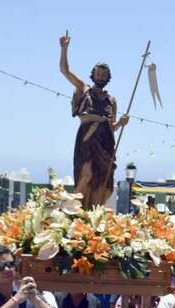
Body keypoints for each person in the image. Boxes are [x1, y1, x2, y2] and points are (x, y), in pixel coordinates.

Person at [59, 32, 130, 209]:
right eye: (98, 74)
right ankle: (79, 209)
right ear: (93, 75)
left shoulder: (111, 100)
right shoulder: (84, 89)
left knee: (102, 181)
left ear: (107, 78)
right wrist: (64, 48)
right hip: (87, 139)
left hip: (105, 143)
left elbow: (111, 127)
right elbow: (65, 71)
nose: (100, 77)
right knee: (86, 173)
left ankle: (94, 211)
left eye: (104, 75)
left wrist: (121, 123)